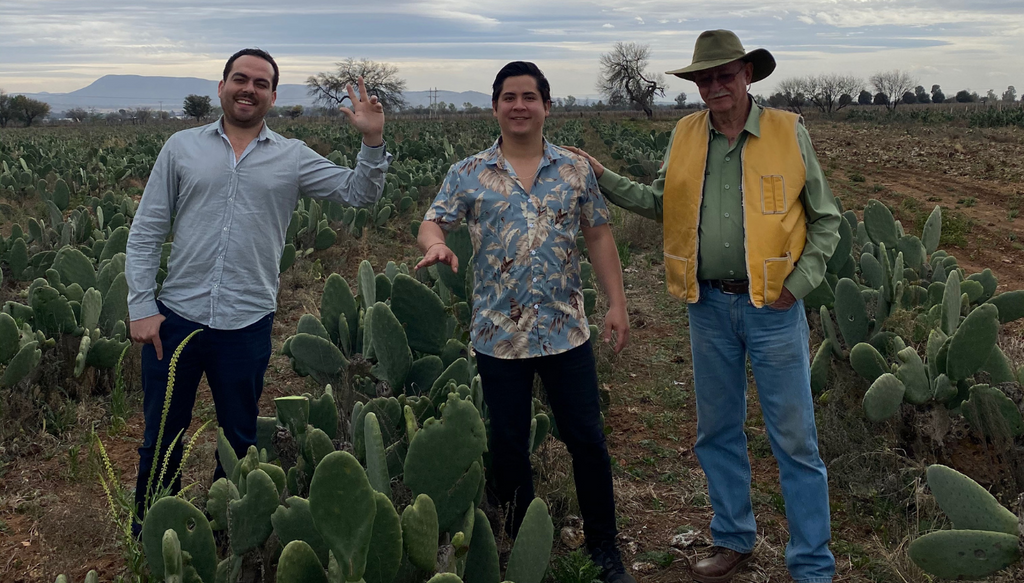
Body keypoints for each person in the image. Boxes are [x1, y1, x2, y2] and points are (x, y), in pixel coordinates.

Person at [568, 30, 841, 583]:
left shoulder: (789, 131)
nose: (715, 85)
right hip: (708, 306)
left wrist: (801, 282)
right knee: (716, 430)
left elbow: (826, 218)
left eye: (725, 74)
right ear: (697, 85)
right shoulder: (687, 134)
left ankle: (812, 564)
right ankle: (734, 538)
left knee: (794, 439)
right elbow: (660, 201)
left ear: (746, 76)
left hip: (773, 307)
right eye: (705, 78)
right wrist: (603, 177)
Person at [125, 48, 390, 527]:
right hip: (177, 317)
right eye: (240, 79)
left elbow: (359, 193)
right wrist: (142, 305)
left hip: (246, 322)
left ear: (272, 95)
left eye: (261, 83)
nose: (249, 89)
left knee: (240, 437)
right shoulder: (181, 148)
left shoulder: (291, 157)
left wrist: (372, 141)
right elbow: (146, 231)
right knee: (162, 433)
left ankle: (229, 534)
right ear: (221, 86)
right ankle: (150, 533)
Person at [415, 61, 634, 583]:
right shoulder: (468, 172)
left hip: (566, 330)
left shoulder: (575, 170)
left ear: (546, 105)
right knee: (510, 443)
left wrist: (617, 303)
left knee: (586, 439)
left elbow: (599, 234)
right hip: (498, 334)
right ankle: (520, 547)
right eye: (509, 97)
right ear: (495, 107)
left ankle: (605, 550)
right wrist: (437, 243)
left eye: (529, 96)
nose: (519, 105)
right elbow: (431, 221)